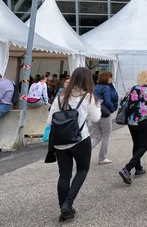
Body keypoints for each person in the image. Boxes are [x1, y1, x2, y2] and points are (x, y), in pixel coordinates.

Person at [46, 67, 101, 222]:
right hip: (80, 139)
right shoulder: (88, 97)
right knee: (82, 170)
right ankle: (68, 203)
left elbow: (50, 121)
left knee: (64, 175)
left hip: (60, 142)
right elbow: (96, 118)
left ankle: (63, 208)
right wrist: (98, 106)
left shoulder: (60, 97)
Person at [119, 70, 147, 184]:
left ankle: (138, 168)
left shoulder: (131, 89)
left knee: (136, 144)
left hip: (132, 121)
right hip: (144, 121)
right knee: (144, 145)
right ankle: (128, 168)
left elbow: (123, 104)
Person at [90, 71, 119, 165]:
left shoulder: (96, 87)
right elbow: (107, 100)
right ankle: (102, 158)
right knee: (106, 136)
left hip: (95, 112)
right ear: (107, 78)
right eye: (111, 77)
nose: (112, 79)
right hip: (105, 113)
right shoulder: (106, 87)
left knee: (96, 136)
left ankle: (83, 152)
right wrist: (112, 109)